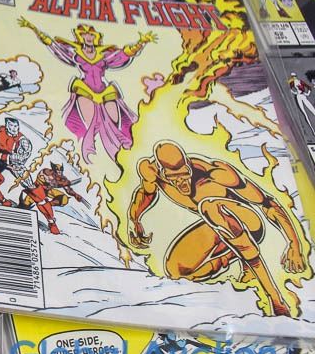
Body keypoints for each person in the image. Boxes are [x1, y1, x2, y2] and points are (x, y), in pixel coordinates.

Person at [128, 140, 307, 317]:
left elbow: (268, 203)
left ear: (189, 165)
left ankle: (276, 299)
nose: (182, 183)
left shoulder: (216, 173)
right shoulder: (150, 171)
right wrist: (134, 219)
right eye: (173, 178)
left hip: (248, 222)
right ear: (161, 172)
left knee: (210, 207)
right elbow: (146, 194)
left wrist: (294, 244)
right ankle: (232, 259)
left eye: (185, 174)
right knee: (176, 270)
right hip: (216, 228)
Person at [19, 20, 155, 161]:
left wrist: (141, 43)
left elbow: (120, 56)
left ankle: (126, 146)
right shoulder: (76, 53)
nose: (88, 37)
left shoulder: (103, 54)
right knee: (90, 123)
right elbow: (56, 47)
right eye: (85, 35)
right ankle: (88, 150)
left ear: (95, 37)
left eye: (91, 35)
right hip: (84, 89)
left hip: (104, 90)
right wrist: (34, 29)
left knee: (115, 121)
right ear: (80, 37)